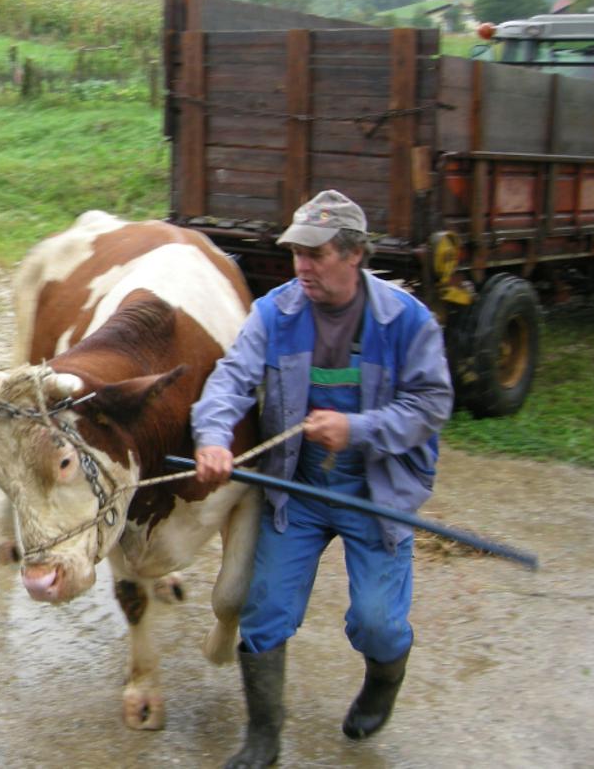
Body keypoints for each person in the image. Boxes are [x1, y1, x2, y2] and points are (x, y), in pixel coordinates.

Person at [191, 190, 453, 768]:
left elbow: (432, 404)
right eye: (295, 254)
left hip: (376, 491)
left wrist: (356, 428)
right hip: (297, 492)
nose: (302, 266)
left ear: (354, 254)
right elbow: (230, 380)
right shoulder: (274, 313)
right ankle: (264, 735)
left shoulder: (406, 320)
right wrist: (211, 437)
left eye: (316, 253)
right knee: (263, 612)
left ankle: (383, 682)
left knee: (377, 624)